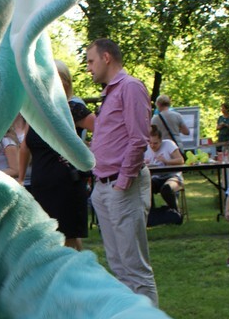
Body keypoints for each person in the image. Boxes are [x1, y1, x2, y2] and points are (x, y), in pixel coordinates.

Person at [85, 38, 158, 304]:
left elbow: (138, 139)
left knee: (135, 268)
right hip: (103, 187)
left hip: (122, 187)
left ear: (106, 58)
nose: (88, 68)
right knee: (118, 266)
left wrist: (122, 183)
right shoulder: (110, 93)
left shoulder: (131, 87)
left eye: (91, 61)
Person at [20, 60, 93, 251]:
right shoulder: (36, 111)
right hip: (40, 185)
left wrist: (86, 153)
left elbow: (105, 130)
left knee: (67, 238)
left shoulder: (72, 109)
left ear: (65, 83)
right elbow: (25, 146)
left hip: (66, 185)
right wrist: (20, 179)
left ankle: (77, 277)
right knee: (48, 238)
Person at [144, 125, 184, 212]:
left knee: (166, 189)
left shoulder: (169, 144)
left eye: (155, 143)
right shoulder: (146, 148)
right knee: (146, 187)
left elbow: (181, 160)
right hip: (156, 177)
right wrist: (144, 163)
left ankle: (175, 212)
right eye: (150, 143)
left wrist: (166, 161)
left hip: (173, 176)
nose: (152, 146)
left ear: (161, 141)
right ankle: (152, 213)